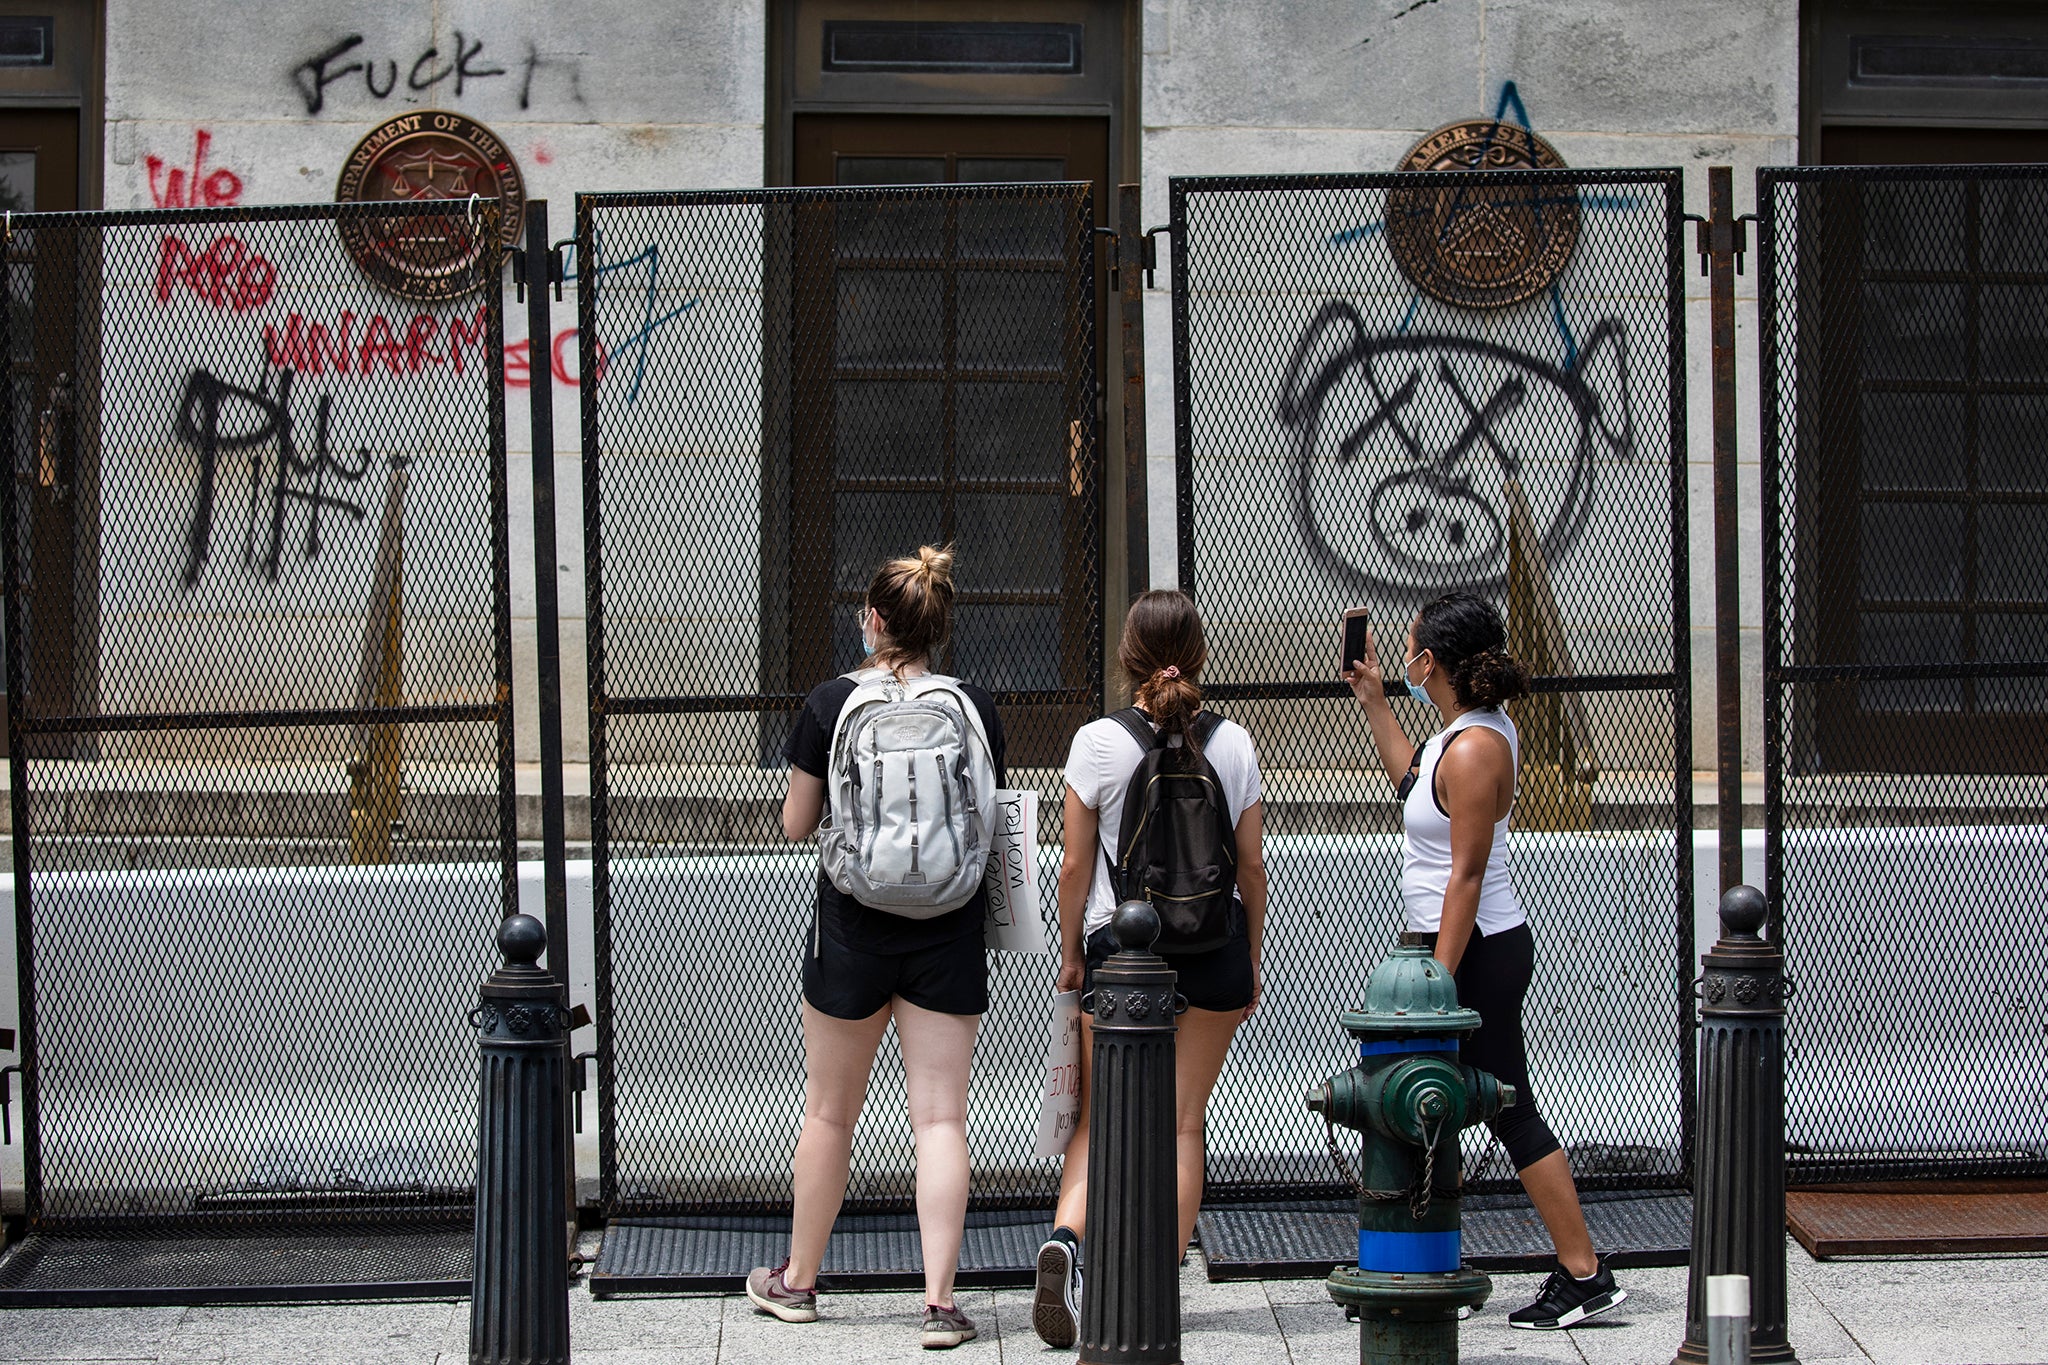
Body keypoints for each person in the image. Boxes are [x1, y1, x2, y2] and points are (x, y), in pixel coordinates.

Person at [1342, 590, 1627, 1331]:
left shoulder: (1474, 747)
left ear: (1430, 661)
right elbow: (1414, 785)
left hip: (1476, 950)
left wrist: (1437, 976)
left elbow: (1465, 874)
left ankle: (1583, 1270)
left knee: (1498, 1105)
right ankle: (1428, 1262)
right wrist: (1375, 702)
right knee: (1447, 1106)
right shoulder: (1459, 733)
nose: (1401, 658)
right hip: (1460, 946)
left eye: (1408, 649)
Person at [747, 545, 1002, 1351]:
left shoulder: (829, 702)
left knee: (829, 1113)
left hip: (851, 928)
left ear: (876, 620)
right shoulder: (974, 703)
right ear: (936, 627)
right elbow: (988, 820)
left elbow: (795, 824)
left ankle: (799, 1282)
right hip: (950, 929)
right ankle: (938, 1304)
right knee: (940, 1118)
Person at [1032, 589, 1269, 1349]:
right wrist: (1252, 955)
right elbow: (1252, 867)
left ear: (1128, 655)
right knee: (1181, 1121)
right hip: (1215, 952)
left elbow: (1073, 864)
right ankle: (1154, 1281)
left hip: (1122, 955)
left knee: (1101, 1118)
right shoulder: (1234, 744)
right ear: (1199, 652)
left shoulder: (1096, 742)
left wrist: (1071, 951)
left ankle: (1070, 1244)